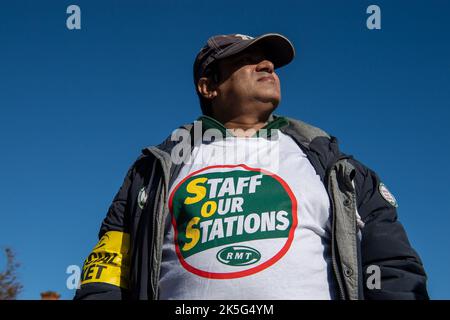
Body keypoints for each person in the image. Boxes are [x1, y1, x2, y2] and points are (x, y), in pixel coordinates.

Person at [74, 33, 428, 300]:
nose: (268, 66)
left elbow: (392, 268)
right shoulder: (151, 174)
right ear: (209, 86)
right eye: (249, 60)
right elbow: (106, 277)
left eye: (269, 61)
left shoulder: (338, 169)